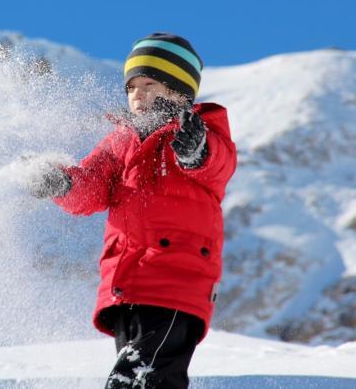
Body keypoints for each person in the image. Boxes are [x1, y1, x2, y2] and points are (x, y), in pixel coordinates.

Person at [29, 32, 237, 388]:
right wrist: (61, 184)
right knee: (147, 379)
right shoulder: (121, 140)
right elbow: (91, 188)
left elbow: (218, 165)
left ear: (178, 89)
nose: (137, 95)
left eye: (149, 83)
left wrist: (196, 150)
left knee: (135, 380)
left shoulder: (201, 130)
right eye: (131, 87)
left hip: (176, 283)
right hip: (127, 286)